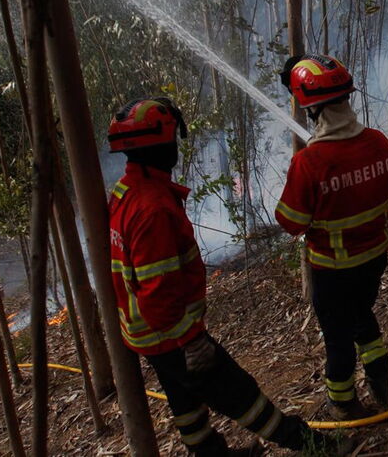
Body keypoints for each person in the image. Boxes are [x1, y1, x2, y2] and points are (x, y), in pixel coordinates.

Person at [107, 97, 350, 456]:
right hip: (173, 337)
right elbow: (158, 294)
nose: (175, 147)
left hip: (148, 336)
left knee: (186, 404)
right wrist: (191, 341)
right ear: (159, 146)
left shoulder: (127, 192)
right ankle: (311, 445)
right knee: (240, 395)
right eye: (172, 140)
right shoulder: (153, 209)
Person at [275, 55, 388, 421]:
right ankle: (382, 382)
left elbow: (290, 222)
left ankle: (343, 404)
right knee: (364, 315)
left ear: (310, 109)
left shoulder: (310, 163)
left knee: (338, 337)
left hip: (332, 268)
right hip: (374, 259)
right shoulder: (379, 143)